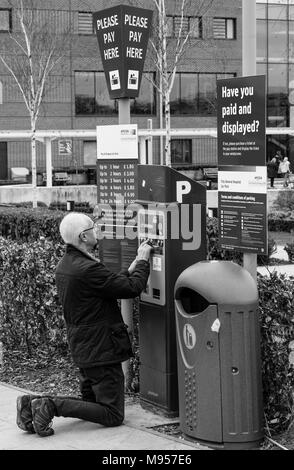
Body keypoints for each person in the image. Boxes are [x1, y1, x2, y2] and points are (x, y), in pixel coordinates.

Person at [16, 212, 152, 437]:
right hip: (102, 350)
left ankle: (33, 405)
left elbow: (106, 285)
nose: (96, 232)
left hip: (84, 347)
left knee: (91, 403)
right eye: (93, 229)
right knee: (112, 414)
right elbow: (131, 288)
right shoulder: (88, 268)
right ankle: (50, 405)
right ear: (83, 236)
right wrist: (144, 261)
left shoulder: (67, 264)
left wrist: (131, 268)